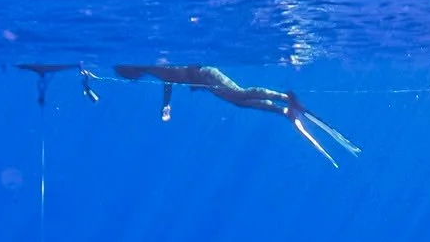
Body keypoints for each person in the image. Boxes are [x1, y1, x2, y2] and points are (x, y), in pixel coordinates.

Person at [113, 63, 360, 168]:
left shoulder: (153, 65)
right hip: (203, 82)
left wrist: (168, 101)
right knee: (240, 103)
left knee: (240, 95)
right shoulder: (151, 70)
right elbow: (168, 81)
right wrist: (166, 105)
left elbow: (171, 76)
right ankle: (283, 110)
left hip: (206, 76)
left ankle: (286, 98)